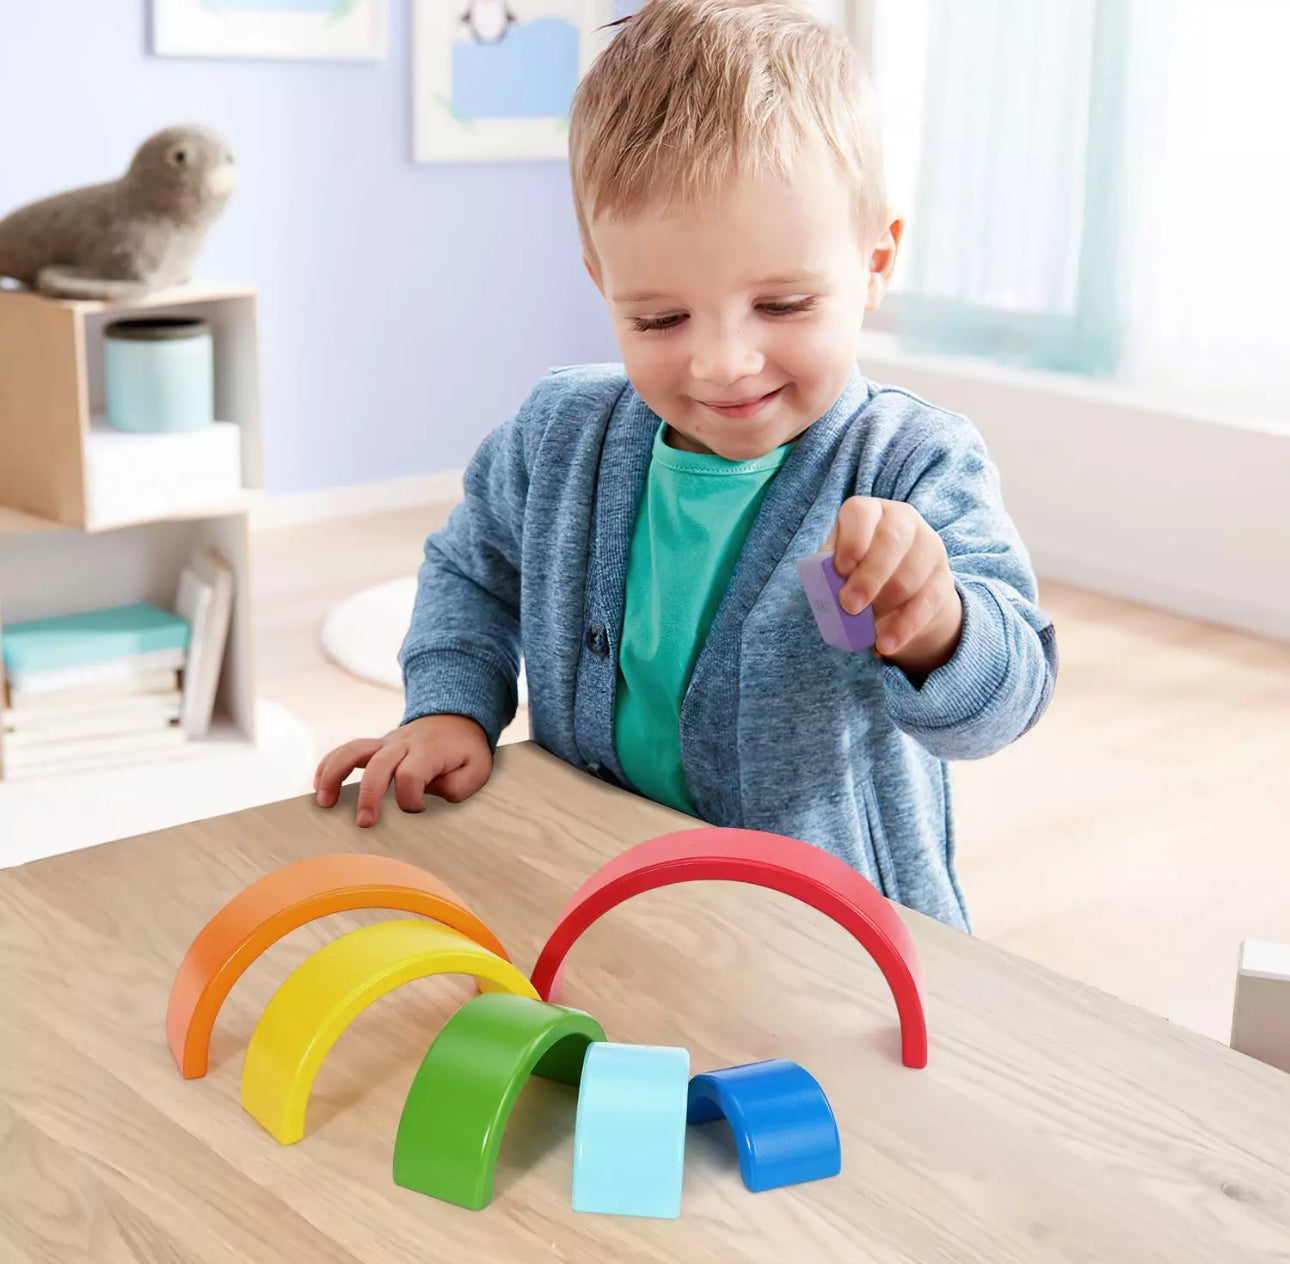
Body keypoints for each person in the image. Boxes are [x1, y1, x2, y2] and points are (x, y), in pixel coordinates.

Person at [314, 0, 1057, 931]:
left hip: (833, 938)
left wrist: (940, 625)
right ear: (601, 280)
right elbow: (473, 569)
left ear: (876, 261)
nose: (721, 363)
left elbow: (1005, 703)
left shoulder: (914, 463)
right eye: (660, 319)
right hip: (600, 890)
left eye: (782, 304)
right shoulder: (559, 434)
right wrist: (450, 709)